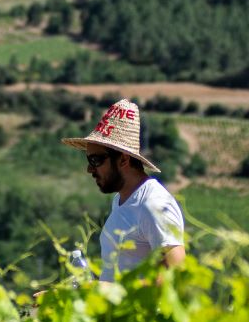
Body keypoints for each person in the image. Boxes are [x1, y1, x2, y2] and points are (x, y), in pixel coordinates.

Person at [61, 99, 185, 282]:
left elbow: (176, 273)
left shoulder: (153, 204)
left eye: (95, 160)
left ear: (123, 160)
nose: (89, 169)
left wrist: (106, 291)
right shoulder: (122, 201)